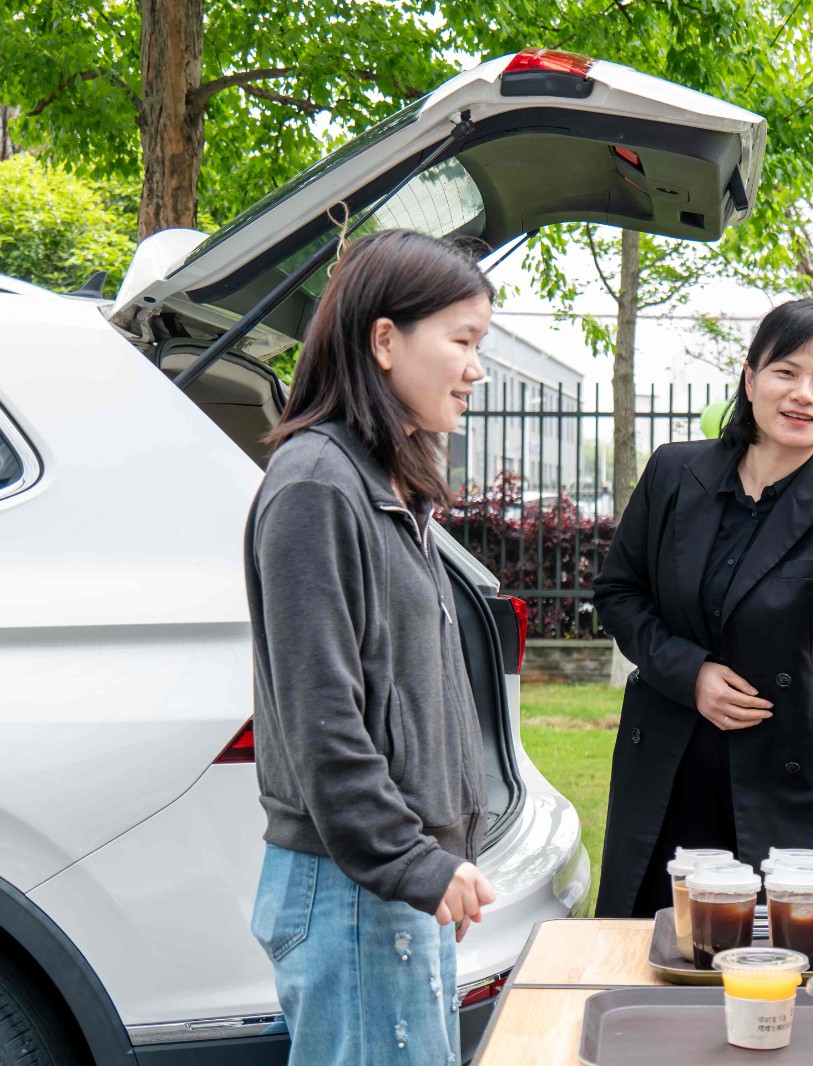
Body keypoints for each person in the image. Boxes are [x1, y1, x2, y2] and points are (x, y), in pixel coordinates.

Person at [245, 229, 499, 1064]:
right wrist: (411, 863)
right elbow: (326, 721)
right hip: (356, 886)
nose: (477, 368)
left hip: (390, 882)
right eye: (461, 341)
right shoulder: (318, 485)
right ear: (384, 340)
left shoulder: (381, 482)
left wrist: (429, 863)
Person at [592, 297, 813, 919]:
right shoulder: (673, 472)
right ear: (750, 377)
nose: (804, 395)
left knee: (790, 964)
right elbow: (619, 594)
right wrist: (690, 674)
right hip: (671, 764)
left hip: (788, 772)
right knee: (665, 951)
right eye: (786, 372)